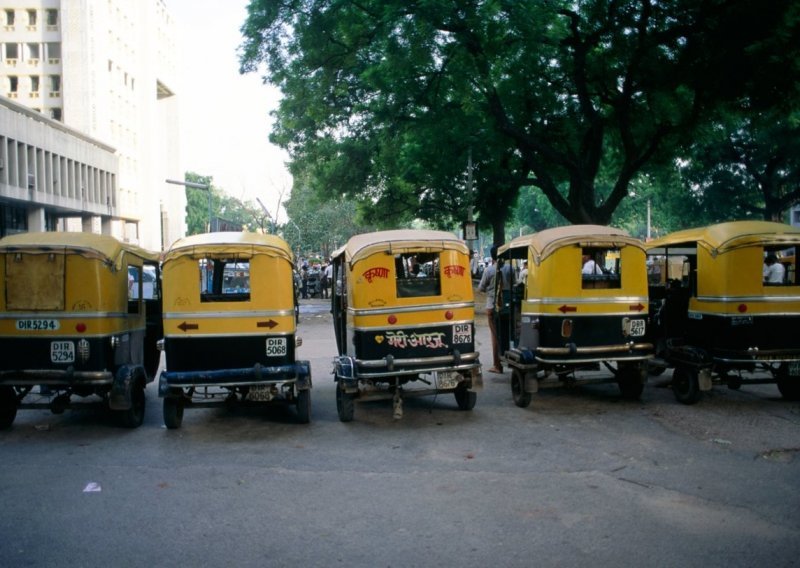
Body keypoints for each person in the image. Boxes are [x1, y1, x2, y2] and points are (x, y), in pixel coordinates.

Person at [479, 246, 503, 374]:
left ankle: (497, 365)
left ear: (492, 256)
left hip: (492, 306)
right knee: (505, 333)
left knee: (495, 336)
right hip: (506, 306)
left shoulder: (489, 270)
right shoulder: (509, 268)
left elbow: (481, 288)